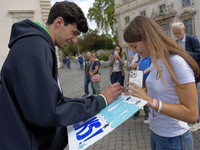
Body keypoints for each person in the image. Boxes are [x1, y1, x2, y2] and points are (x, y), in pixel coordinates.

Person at [0, 1, 123, 150]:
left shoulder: (38, 44)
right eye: (74, 33)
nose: (75, 40)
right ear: (59, 22)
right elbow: (49, 110)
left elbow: (50, 101)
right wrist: (101, 101)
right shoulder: (34, 46)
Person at [124, 15, 199, 150]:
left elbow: (192, 115)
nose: (134, 51)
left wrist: (150, 101)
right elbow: (157, 89)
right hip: (156, 133)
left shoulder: (176, 62)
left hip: (174, 139)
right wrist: (139, 93)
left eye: (134, 46)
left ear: (147, 38)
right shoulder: (156, 59)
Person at [172, 22, 200, 131]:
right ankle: (187, 117)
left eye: (178, 32)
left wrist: (184, 53)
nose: (177, 35)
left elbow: (199, 54)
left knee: (194, 97)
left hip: (193, 73)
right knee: (184, 97)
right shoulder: (175, 42)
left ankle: (197, 120)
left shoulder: (192, 39)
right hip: (181, 74)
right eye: (174, 33)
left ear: (184, 30)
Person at [132, 55, 151, 124]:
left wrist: (143, 73)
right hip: (140, 79)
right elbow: (138, 65)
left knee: (145, 97)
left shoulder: (150, 57)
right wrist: (137, 73)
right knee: (137, 95)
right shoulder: (141, 57)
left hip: (147, 79)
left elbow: (151, 66)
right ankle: (136, 112)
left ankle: (147, 113)